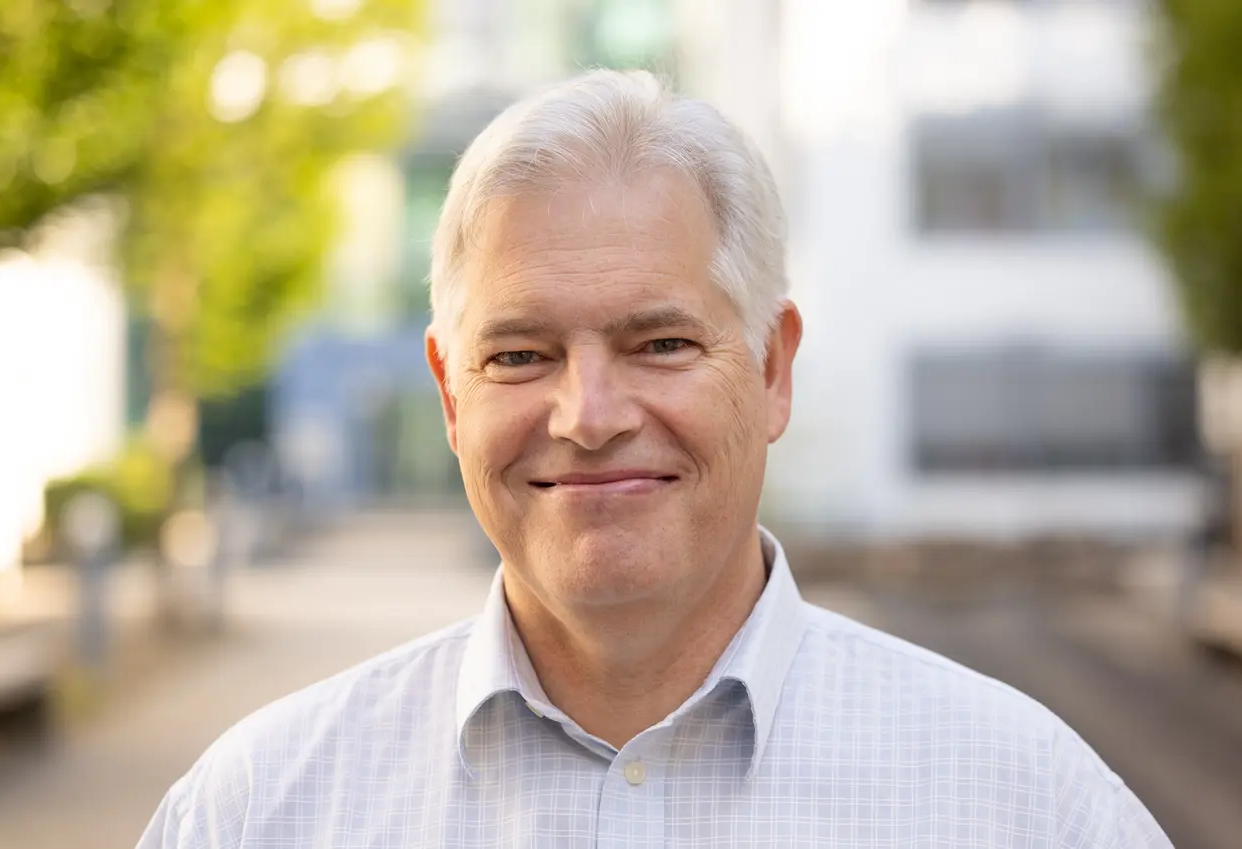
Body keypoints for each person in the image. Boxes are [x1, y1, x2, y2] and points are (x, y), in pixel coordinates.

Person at [138, 69, 1171, 848]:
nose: (587, 415)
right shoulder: (259, 811)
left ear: (771, 369)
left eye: (660, 344)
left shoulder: (1026, 805)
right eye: (521, 354)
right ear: (450, 395)